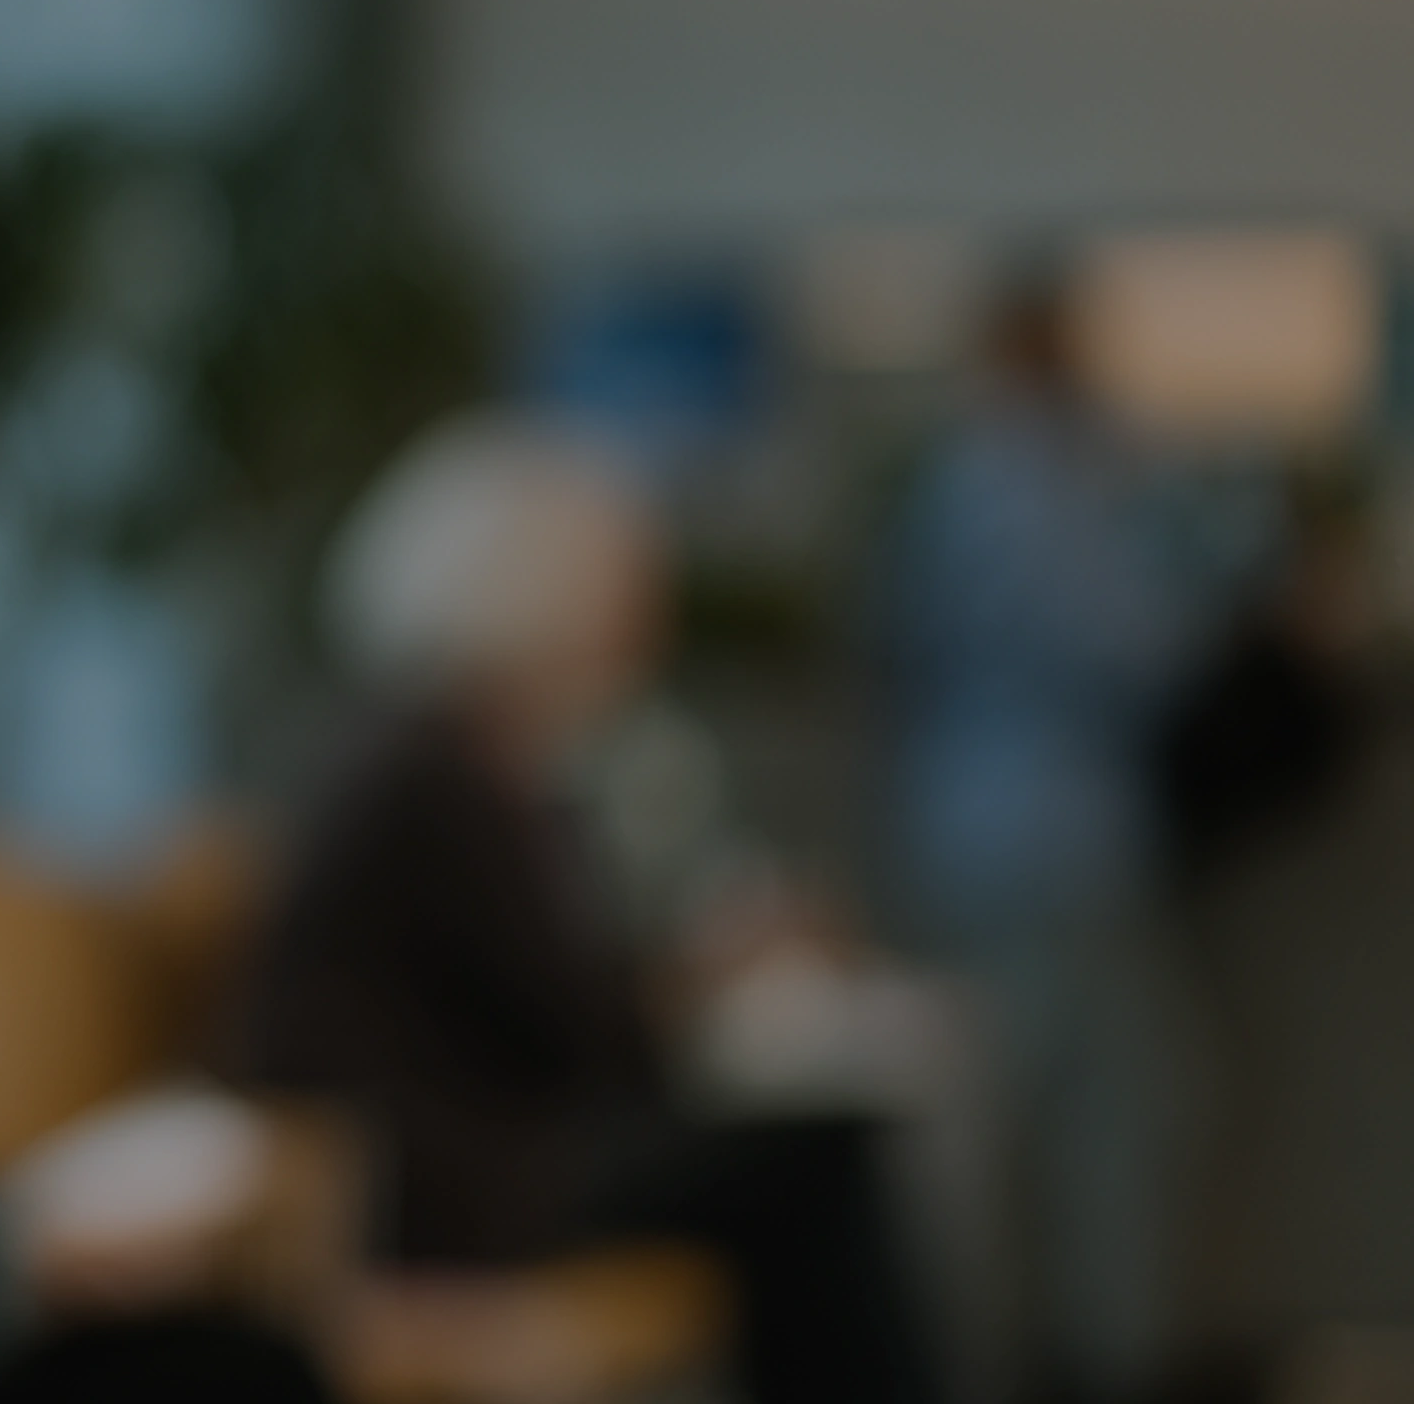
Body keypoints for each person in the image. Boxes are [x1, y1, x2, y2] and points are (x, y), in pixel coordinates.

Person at [226, 415, 937, 1404]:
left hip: (473, 1157)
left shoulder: (431, 754)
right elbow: (587, 1025)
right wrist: (715, 967)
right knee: (816, 1155)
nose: (643, 627)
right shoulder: (439, 778)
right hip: (439, 1189)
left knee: (797, 1157)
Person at [884, 279, 1208, 1404]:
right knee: (1098, 1122)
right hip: (1059, 836)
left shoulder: (958, 481)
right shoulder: (1043, 485)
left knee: (1005, 1120)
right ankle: (1101, 1364)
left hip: (968, 825)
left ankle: (991, 1355)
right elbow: (1142, 653)